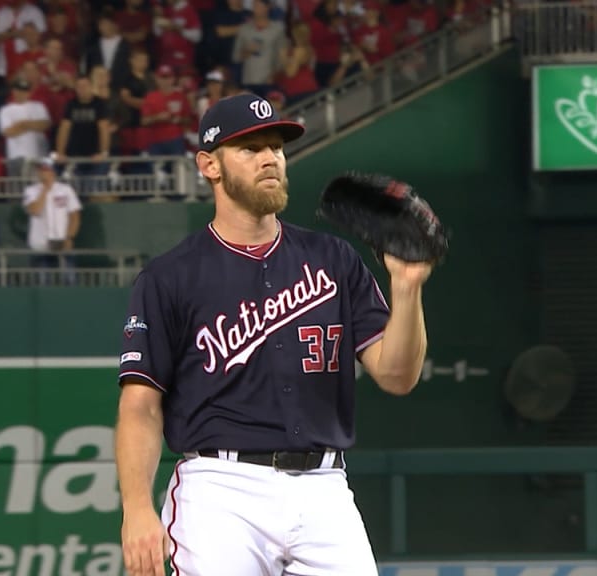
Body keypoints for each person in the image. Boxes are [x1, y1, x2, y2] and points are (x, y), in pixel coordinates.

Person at [114, 93, 433, 576]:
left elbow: (397, 376)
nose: (269, 158)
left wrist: (407, 291)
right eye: (250, 148)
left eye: (276, 147)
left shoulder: (334, 259)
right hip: (221, 488)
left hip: (324, 486)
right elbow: (140, 404)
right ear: (209, 165)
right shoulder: (170, 277)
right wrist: (137, 507)